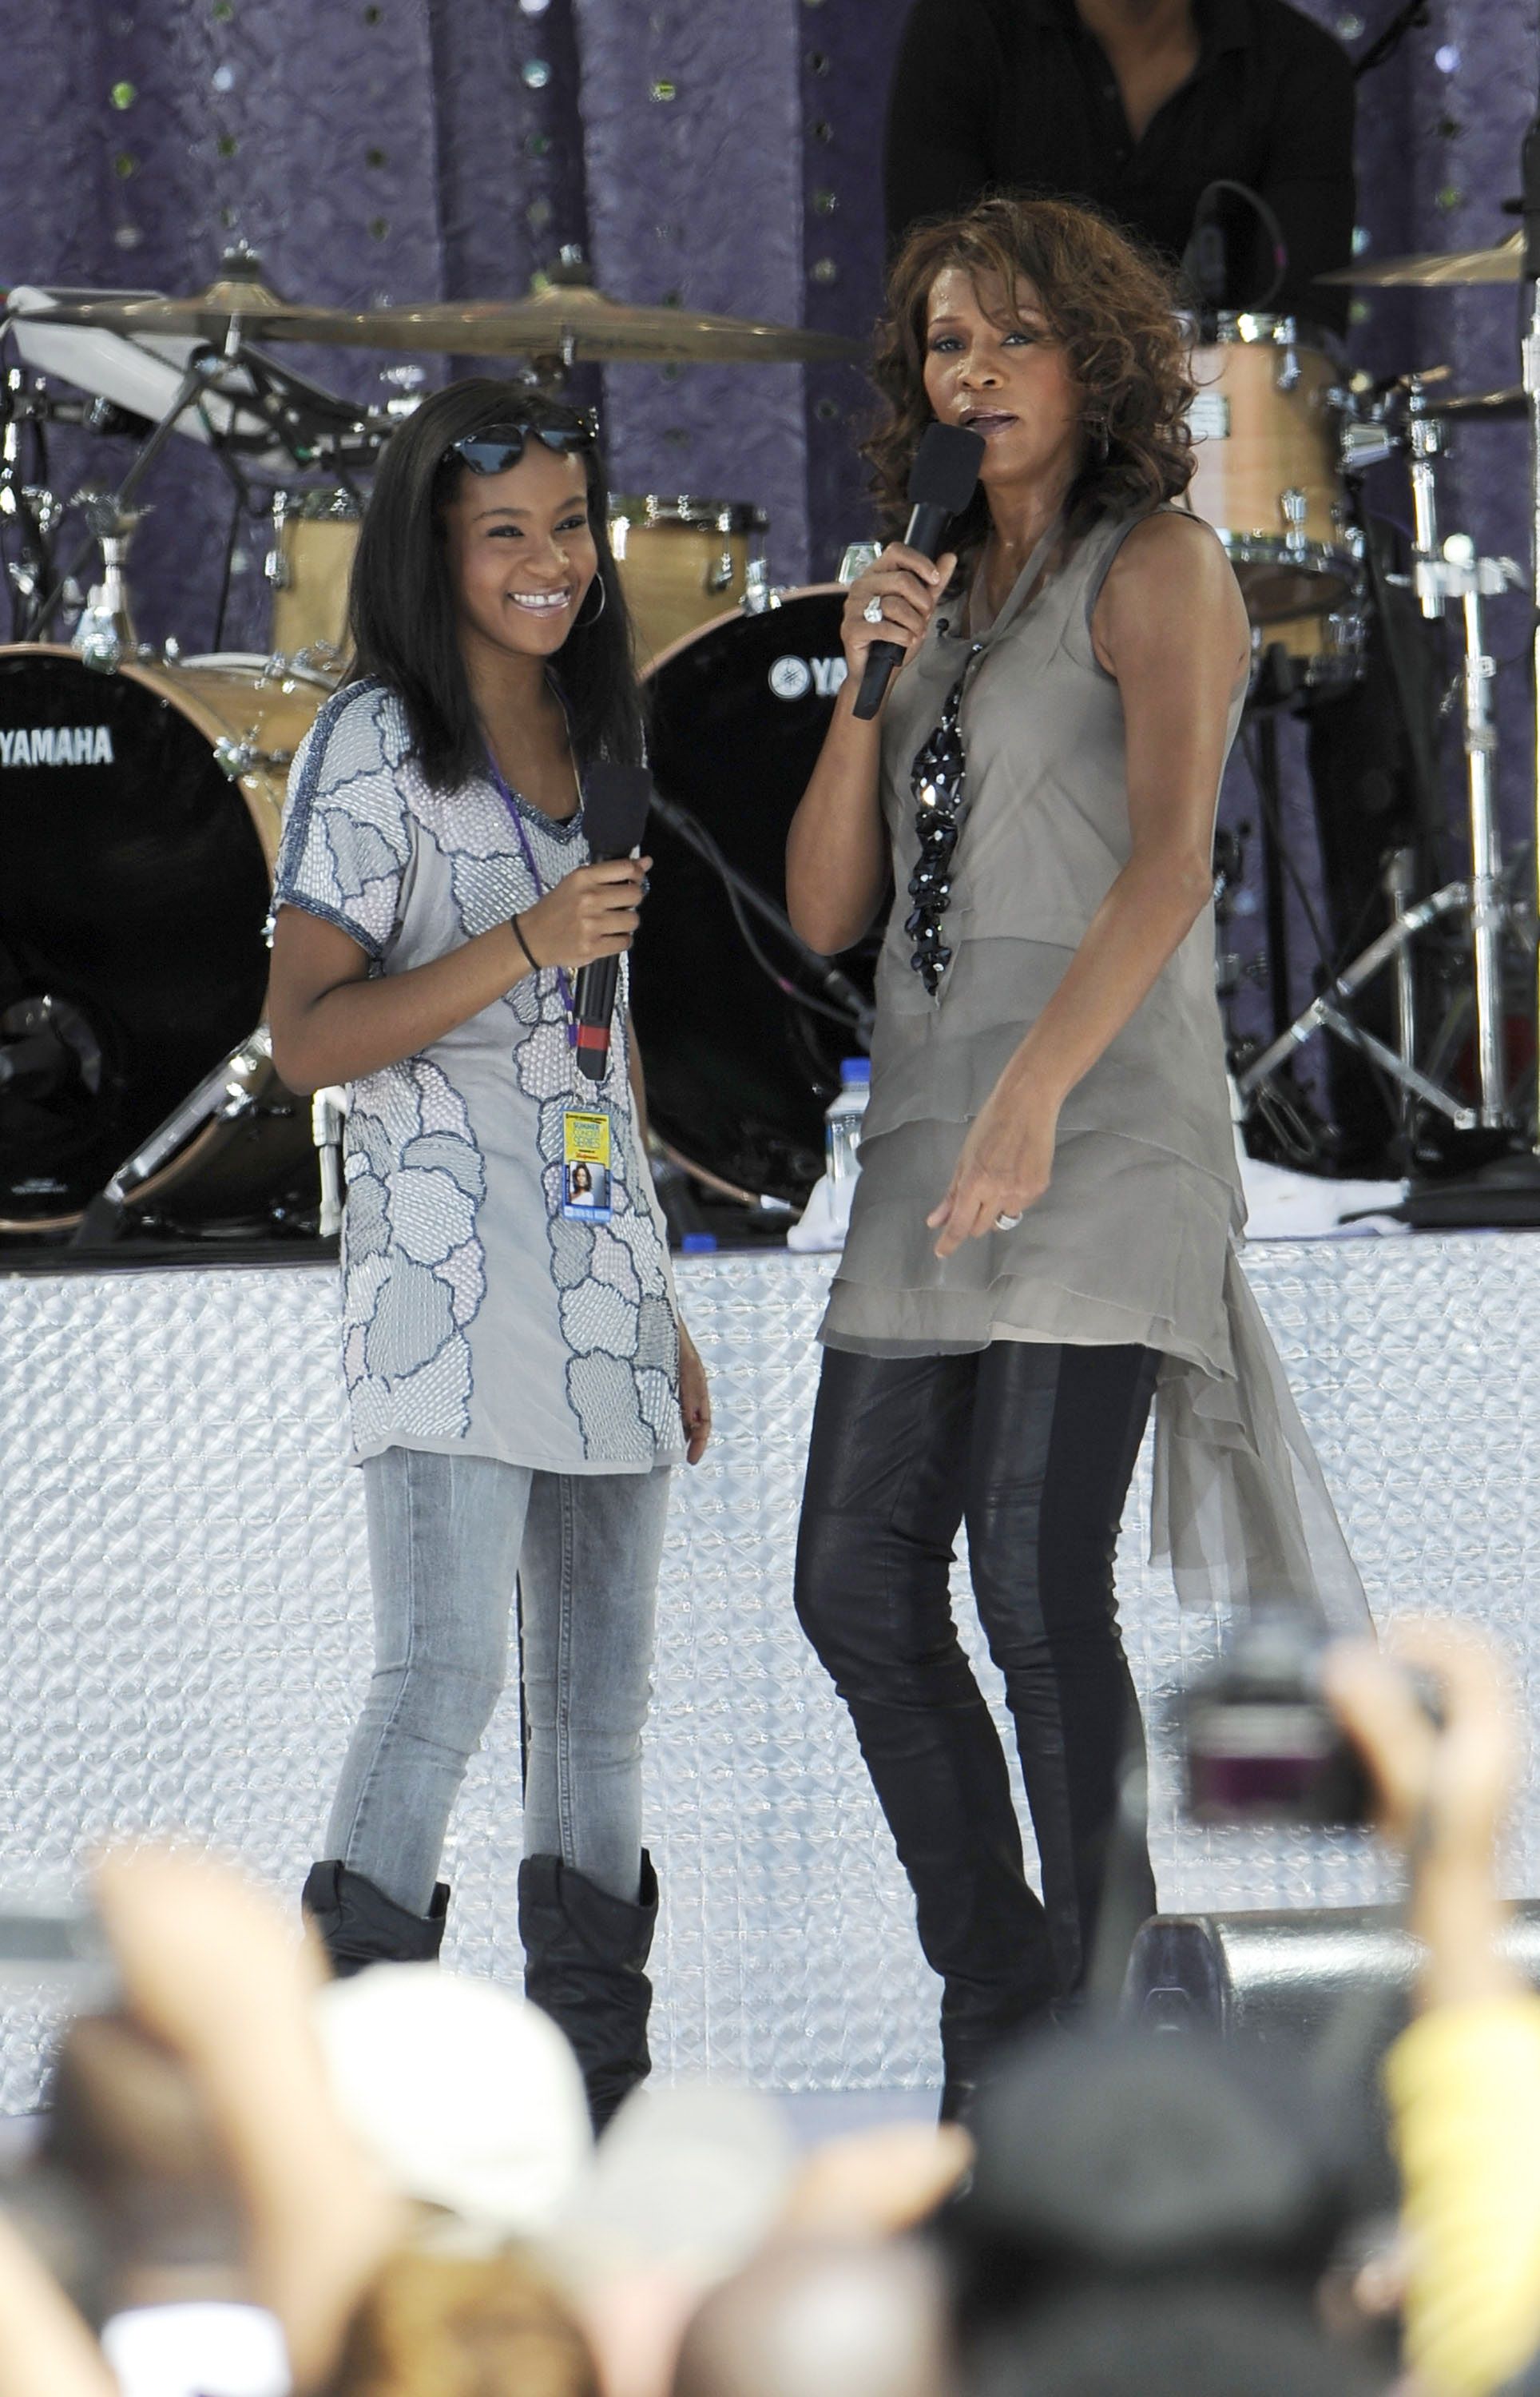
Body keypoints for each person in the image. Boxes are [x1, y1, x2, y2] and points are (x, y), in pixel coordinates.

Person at [785, 194, 1367, 2117]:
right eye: (947, 343)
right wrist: (865, 694)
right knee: (855, 1581)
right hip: (935, 1101)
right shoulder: (930, 580)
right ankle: (1012, 1992)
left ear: (1094, 358)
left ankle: (1095, 2074)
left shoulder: (1162, 560)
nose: (971, 373)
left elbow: (1169, 859)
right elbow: (819, 910)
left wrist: (1040, 1086)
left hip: (1103, 1102)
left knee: (1035, 1583)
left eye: (1011, 336)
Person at [266, 380, 712, 2131]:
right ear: (433, 552)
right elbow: (307, 1036)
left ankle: (594, 2117)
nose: (549, 564)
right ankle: (343, 2122)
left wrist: (661, 1295)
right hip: (446, 1282)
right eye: (503, 533)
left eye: (569, 526)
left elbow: (600, 1055)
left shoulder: (606, 755)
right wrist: (520, 936)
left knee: (595, 1720)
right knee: (441, 1676)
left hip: (600, 1276)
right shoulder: (375, 741)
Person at [883, 0, 1355, 332]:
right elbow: (933, 275)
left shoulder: (1299, 63)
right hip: (1010, 416)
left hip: (1218, 434)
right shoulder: (963, 27)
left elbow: (1305, 318)